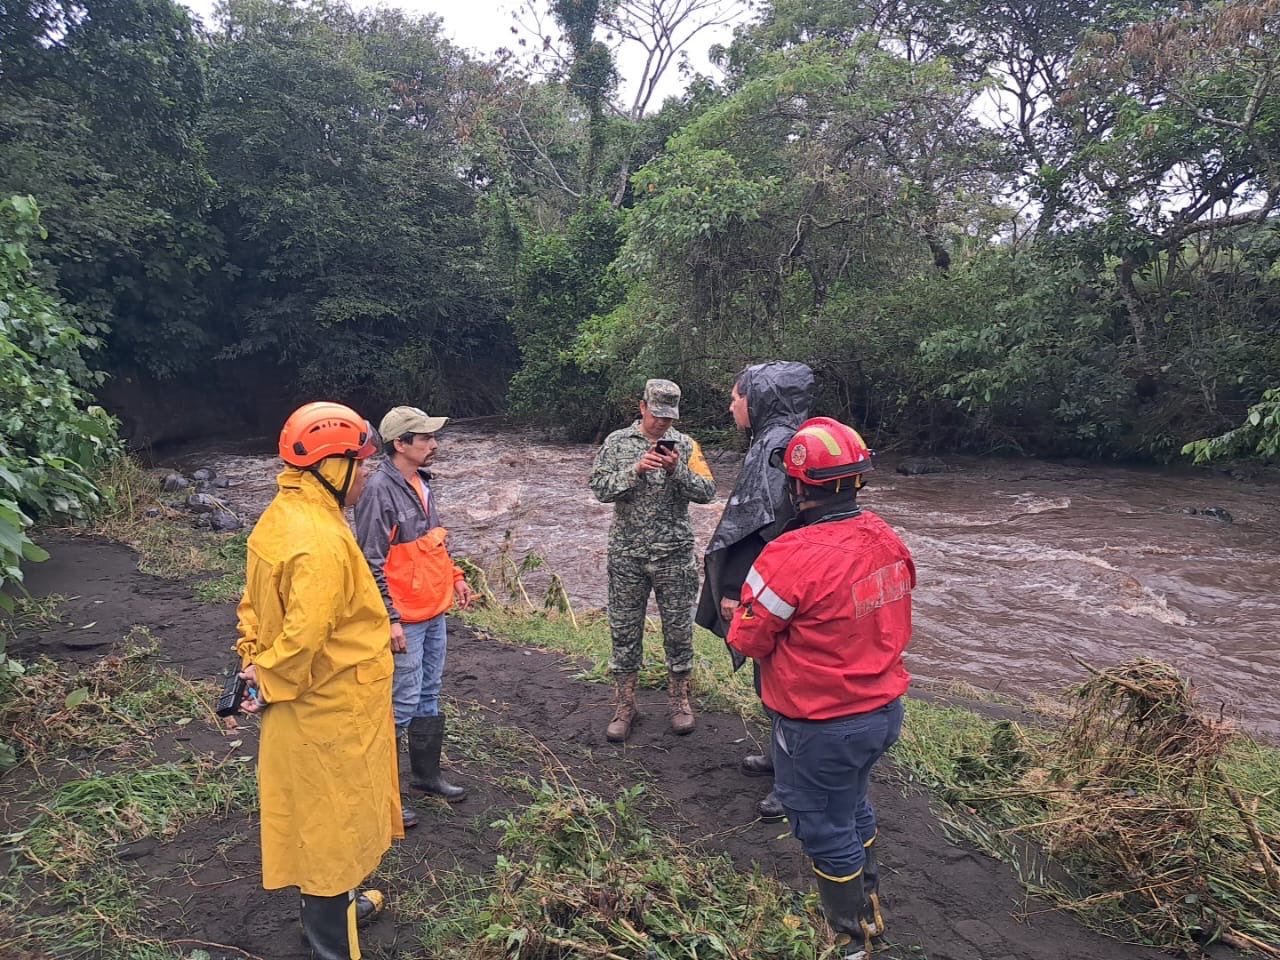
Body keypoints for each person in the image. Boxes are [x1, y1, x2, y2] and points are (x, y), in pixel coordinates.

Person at [727, 417, 913, 960]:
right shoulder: (886, 537)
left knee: (821, 825)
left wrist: (737, 609)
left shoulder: (788, 555)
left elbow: (750, 638)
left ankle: (849, 942)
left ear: (798, 486)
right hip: (882, 712)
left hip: (819, 723)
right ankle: (870, 908)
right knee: (853, 805)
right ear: (858, 480)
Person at [234, 401, 402, 960]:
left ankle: (340, 911)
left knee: (321, 816)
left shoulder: (283, 515)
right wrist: (268, 679)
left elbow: (253, 607)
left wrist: (253, 665)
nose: (369, 475)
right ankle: (332, 945)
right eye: (363, 464)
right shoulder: (321, 541)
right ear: (333, 467)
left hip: (314, 702)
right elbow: (304, 639)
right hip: (327, 707)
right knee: (333, 824)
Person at [695, 361, 813, 820]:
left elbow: (757, 526)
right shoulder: (791, 439)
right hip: (788, 577)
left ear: (759, 398)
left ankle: (792, 784)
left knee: (786, 680)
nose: (731, 406)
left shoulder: (776, 445)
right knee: (774, 674)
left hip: (776, 582)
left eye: (736, 397)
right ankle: (780, 760)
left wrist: (733, 589)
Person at [354, 405, 473, 822]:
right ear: (400, 444)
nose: (434, 444)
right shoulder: (377, 492)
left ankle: (425, 778)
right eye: (425, 438)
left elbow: (432, 541)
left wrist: (456, 576)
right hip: (404, 619)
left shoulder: (422, 482)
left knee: (428, 695)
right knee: (400, 704)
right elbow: (369, 563)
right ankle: (382, 795)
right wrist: (389, 619)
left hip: (433, 610)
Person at [589, 378, 717, 741]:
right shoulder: (617, 443)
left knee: (678, 630)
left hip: (674, 555)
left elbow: (708, 492)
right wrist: (636, 470)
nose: (662, 423)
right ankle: (625, 704)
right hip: (627, 554)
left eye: (668, 417)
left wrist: (678, 470)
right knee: (624, 630)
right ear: (643, 407)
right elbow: (599, 488)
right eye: (657, 414)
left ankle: (679, 700)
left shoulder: (687, 445)